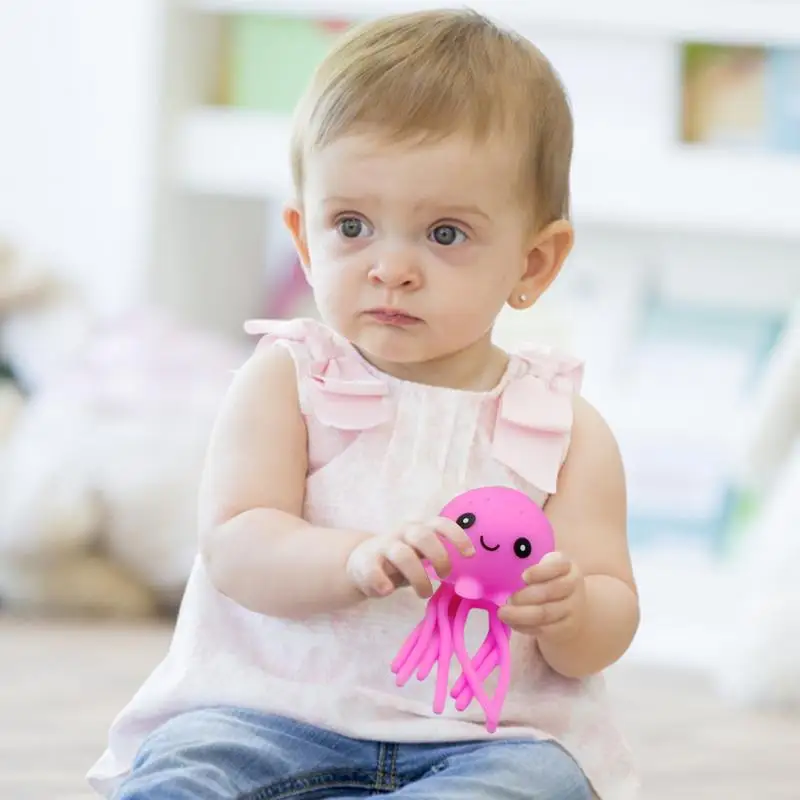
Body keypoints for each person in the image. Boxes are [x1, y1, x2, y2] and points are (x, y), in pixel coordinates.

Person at [88, 9, 640, 799]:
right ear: (306, 241)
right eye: (352, 225)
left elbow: (607, 620)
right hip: (269, 714)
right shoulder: (288, 379)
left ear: (535, 260)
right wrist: (351, 558)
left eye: (445, 234)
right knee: (189, 768)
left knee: (540, 782)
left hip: (482, 740)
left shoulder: (564, 427)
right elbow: (238, 545)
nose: (391, 268)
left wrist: (570, 608)